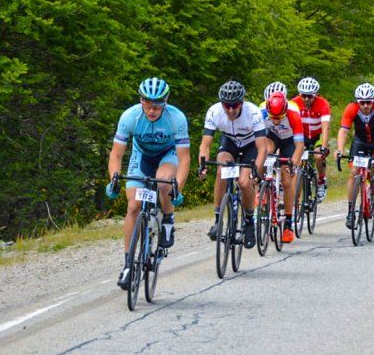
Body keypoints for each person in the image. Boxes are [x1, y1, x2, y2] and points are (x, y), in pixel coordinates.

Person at [106, 77, 190, 290]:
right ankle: (127, 265)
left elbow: (184, 158)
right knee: (133, 206)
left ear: (166, 102)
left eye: (157, 105)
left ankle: (168, 218)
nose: (151, 110)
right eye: (147, 103)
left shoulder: (176, 118)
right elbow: (116, 155)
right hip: (141, 157)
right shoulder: (129, 117)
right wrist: (114, 179)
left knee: (163, 183)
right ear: (140, 100)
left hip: (166, 156)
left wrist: (177, 186)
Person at [198, 80, 267, 249]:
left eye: (234, 105)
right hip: (229, 141)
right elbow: (205, 144)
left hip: (250, 144)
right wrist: (203, 164)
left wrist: (256, 171)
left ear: (241, 103)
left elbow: (263, 147)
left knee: (244, 182)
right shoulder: (214, 112)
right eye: (226, 105)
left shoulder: (253, 113)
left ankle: (249, 221)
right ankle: (217, 220)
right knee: (222, 171)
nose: (230, 109)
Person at [336, 83, 374, 228]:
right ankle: (350, 211)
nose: (366, 106)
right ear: (357, 101)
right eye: (362, 102)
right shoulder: (351, 108)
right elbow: (343, 131)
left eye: (369, 102)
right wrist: (340, 150)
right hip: (360, 142)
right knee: (354, 172)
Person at [261, 91, 305, 243]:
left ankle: (288, 223)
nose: (275, 121)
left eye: (279, 118)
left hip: (289, 142)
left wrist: (293, 161)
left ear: (285, 111)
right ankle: (261, 188)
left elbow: (300, 145)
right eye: (272, 117)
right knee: (263, 153)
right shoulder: (261, 114)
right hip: (271, 138)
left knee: (287, 181)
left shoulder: (293, 115)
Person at [291, 77, 332, 201]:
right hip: (301, 137)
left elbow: (325, 127)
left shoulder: (323, 104)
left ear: (316, 95)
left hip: (317, 136)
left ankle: (321, 181)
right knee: (296, 161)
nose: (307, 99)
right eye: (304, 96)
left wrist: (324, 146)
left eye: (310, 96)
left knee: (318, 156)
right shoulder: (294, 103)